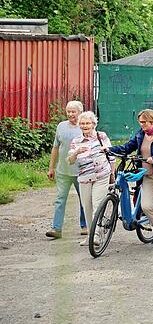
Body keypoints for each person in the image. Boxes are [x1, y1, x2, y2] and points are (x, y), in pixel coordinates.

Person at [108, 109, 153, 250]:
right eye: (140, 122)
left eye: (144, 122)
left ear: (152, 121)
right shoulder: (141, 134)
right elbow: (128, 147)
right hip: (148, 175)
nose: (141, 125)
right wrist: (110, 149)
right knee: (146, 206)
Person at [68, 111, 114, 246]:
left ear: (94, 124)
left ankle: (97, 236)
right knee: (86, 207)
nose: (85, 126)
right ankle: (90, 235)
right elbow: (70, 161)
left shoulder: (101, 136)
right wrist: (76, 152)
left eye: (88, 123)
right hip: (84, 177)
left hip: (101, 175)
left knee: (97, 205)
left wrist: (112, 174)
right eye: (82, 123)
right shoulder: (76, 141)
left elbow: (111, 156)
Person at [46, 100, 87, 239]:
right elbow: (55, 147)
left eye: (73, 111)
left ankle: (85, 226)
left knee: (84, 199)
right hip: (62, 171)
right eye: (68, 111)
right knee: (60, 199)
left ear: (80, 112)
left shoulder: (85, 126)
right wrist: (51, 167)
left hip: (80, 170)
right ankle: (56, 229)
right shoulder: (61, 126)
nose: (70, 114)